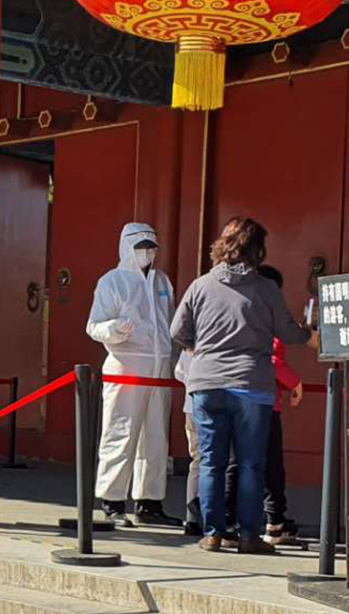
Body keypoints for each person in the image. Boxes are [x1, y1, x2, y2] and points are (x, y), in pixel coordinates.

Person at [171, 218, 315, 554]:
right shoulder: (265, 289)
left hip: (206, 383)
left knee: (211, 462)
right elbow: (288, 330)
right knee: (251, 463)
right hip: (251, 383)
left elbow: (178, 330)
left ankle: (212, 533)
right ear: (257, 250)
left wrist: (201, 349)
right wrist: (313, 337)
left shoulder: (201, 285)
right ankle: (249, 536)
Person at [87, 223, 180, 528]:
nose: (147, 253)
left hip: (160, 368)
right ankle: (112, 501)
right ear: (126, 246)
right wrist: (113, 330)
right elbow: (94, 325)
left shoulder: (161, 281)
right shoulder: (112, 282)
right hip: (126, 366)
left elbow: (170, 323)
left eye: (151, 247)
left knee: (156, 437)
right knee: (121, 432)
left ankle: (149, 501)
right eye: (140, 247)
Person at [223, 265, 304, 545]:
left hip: (235, 397)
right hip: (263, 403)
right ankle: (273, 522)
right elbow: (270, 360)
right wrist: (294, 382)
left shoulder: (238, 309)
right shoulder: (266, 316)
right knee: (269, 465)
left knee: (237, 462)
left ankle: (228, 523)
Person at [175, 348, 202, 536]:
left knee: (198, 462)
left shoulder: (188, 345)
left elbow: (179, 372)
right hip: (211, 408)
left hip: (190, 407)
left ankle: (192, 519)